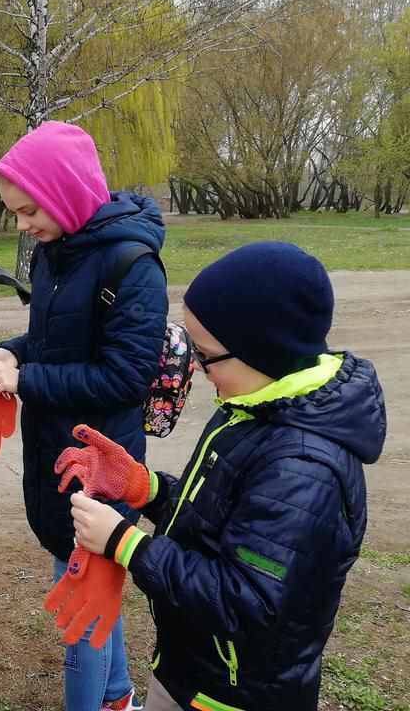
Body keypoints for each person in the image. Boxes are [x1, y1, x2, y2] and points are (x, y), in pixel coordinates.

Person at [67, 242, 384, 711]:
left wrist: (125, 544)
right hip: (194, 667)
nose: (195, 367)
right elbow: (220, 520)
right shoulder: (253, 407)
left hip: (234, 692)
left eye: (204, 354)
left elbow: (246, 603)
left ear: (263, 351)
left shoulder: (303, 469)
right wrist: (146, 488)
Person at [0, 121, 167, 711]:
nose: (22, 225)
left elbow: (125, 377)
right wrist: (13, 351)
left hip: (99, 465)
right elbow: (54, 341)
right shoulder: (54, 253)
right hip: (55, 453)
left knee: (83, 608)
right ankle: (117, 697)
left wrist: (27, 379)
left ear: (65, 194)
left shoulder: (131, 266)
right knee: (93, 585)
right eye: (14, 212)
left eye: (29, 210)